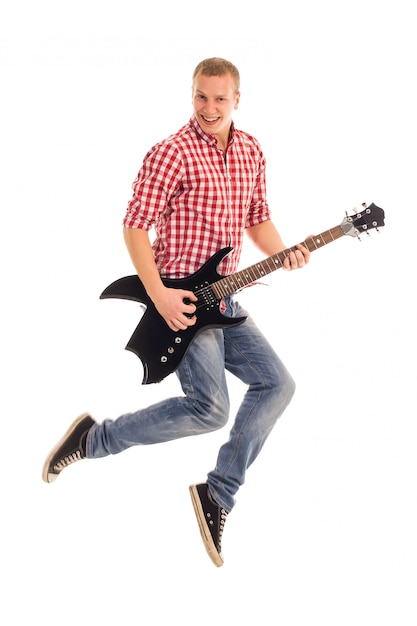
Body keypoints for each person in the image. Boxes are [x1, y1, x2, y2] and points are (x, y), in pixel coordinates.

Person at [42, 57, 310, 567]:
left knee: (279, 384)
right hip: (181, 302)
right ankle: (93, 438)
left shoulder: (251, 150)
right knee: (210, 408)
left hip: (226, 297)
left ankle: (218, 493)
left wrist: (287, 253)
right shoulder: (171, 152)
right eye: (200, 97)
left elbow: (258, 220)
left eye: (219, 98)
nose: (209, 108)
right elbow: (135, 225)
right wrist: (160, 293)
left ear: (237, 100)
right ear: (192, 96)